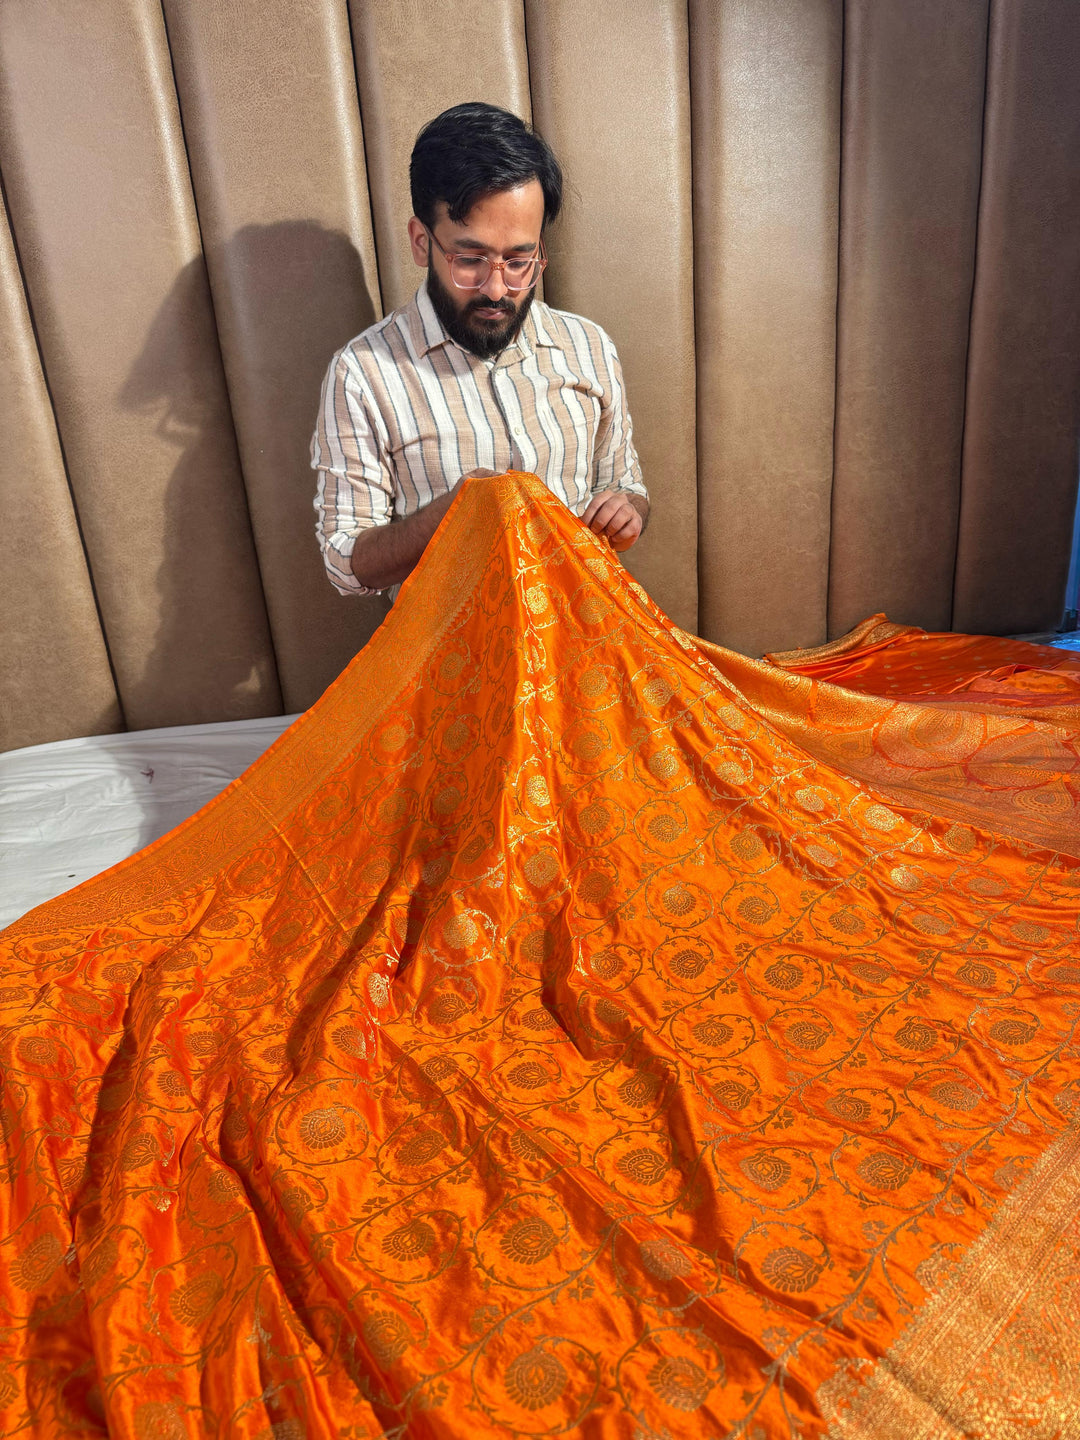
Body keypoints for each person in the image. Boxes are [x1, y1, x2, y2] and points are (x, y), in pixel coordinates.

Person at [311, 102, 649, 598]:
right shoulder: (361, 374)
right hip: (453, 657)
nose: (497, 288)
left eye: (519, 260)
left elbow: (625, 483)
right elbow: (344, 564)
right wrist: (447, 518)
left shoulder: (588, 346)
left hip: (585, 635)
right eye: (470, 258)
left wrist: (628, 510)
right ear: (422, 242)